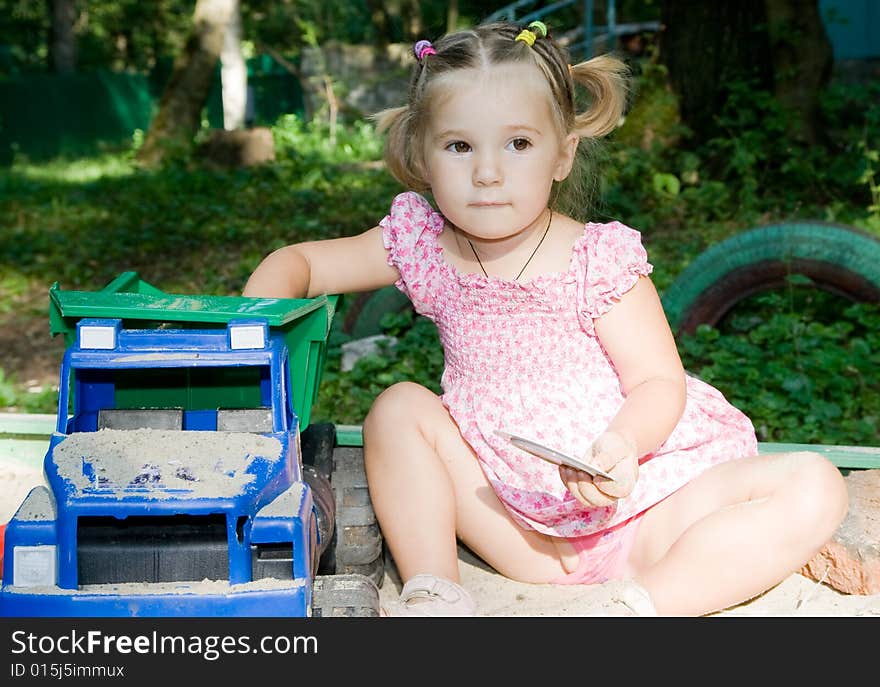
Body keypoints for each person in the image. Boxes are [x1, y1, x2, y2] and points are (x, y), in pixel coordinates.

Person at [243, 20, 848, 617]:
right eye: (459, 145)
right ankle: (435, 590)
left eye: (518, 143)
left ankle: (639, 606)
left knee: (814, 483)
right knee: (398, 407)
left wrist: (624, 446)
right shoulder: (423, 244)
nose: (487, 172)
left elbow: (657, 382)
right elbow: (299, 264)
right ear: (421, 156)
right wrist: (248, 344)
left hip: (644, 511)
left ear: (563, 154)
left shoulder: (598, 259)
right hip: (518, 528)